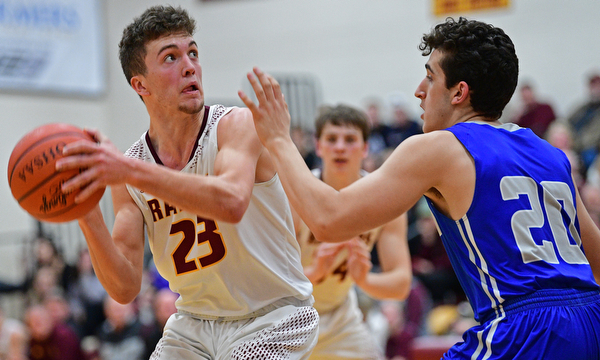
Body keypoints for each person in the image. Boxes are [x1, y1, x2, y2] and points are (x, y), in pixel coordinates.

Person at [240, 17, 600, 359]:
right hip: (591, 320)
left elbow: (328, 219)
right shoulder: (550, 154)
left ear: (459, 92)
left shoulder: (439, 147)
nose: (419, 91)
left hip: (524, 327)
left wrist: (278, 139)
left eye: (429, 78)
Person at [55, 5, 318, 360]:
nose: (189, 65)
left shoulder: (235, 127)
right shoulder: (130, 168)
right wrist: (85, 213)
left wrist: (128, 171)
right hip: (193, 325)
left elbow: (231, 202)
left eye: (192, 52)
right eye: (170, 57)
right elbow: (124, 286)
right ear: (140, 84)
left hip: (273, 315)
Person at [295, 104, 412, 360]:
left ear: (365, 147)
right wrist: (313, 273)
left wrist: (364, 279)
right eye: (331, 139)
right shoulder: (296, 195)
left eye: (349, 139)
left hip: (341, 316)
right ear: (318, 146)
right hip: (290, 313)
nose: (339, 147)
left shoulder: (385, 201)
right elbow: (269, 278)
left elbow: (401, 284)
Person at [567, 72, 600, 171]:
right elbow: (566, 121)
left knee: (589, 156)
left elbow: (593, 137)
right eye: (593, 86)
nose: (595, 90)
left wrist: (576, 143)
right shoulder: (583, 108)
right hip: (572, 143)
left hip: (589, 147)